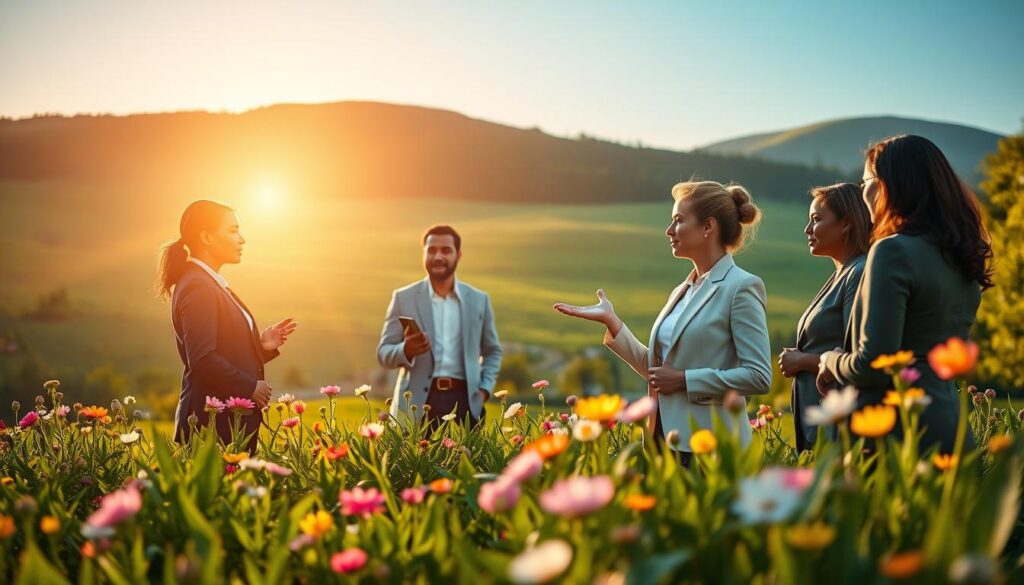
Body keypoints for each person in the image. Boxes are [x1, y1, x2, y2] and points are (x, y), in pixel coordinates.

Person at [553, 180, 772, 466]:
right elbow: (658, 371)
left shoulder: (742, 286)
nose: (669, 230)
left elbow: (758, 376)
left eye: (678, 220)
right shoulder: (682, 290)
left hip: (711, 448)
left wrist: (684, 380)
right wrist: (613, 322)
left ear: (708, 226)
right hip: (662, 441)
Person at [818, 135, 994, 454]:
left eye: (865, 182)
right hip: (950, 425)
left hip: (899, 434)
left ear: (888, 186)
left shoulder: (892, 250)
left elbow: (873, 366)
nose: (863, 192)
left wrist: (829, 360)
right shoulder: (960, 254)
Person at [157, 200, 296, 451]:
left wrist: (260, 347)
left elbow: (221, 350)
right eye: (233, 231)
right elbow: (202, 358)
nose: (242, 239)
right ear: (206, 238)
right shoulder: (198, 286)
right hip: (211, 426)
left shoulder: (209, 283)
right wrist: (249, 387)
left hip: (226, 424)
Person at [377, 225, 503, 427]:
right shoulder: (403, 298)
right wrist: (406, 350)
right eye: (431, 250)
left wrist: (484, 390)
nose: (437, 256)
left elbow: (493, 351)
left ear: (458, 255)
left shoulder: (479, 300)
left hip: (467, 403)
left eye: (446, 250)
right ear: (424, 254)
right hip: (416, 405)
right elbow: (384, 353)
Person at [780, 183, 871, 451]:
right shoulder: (841, 273)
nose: (807, 229)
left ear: (846, 223)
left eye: (816, 219)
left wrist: (802, 361)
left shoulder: (858, 273)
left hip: (838, 429)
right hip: (822, 427)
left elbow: (857, 356)